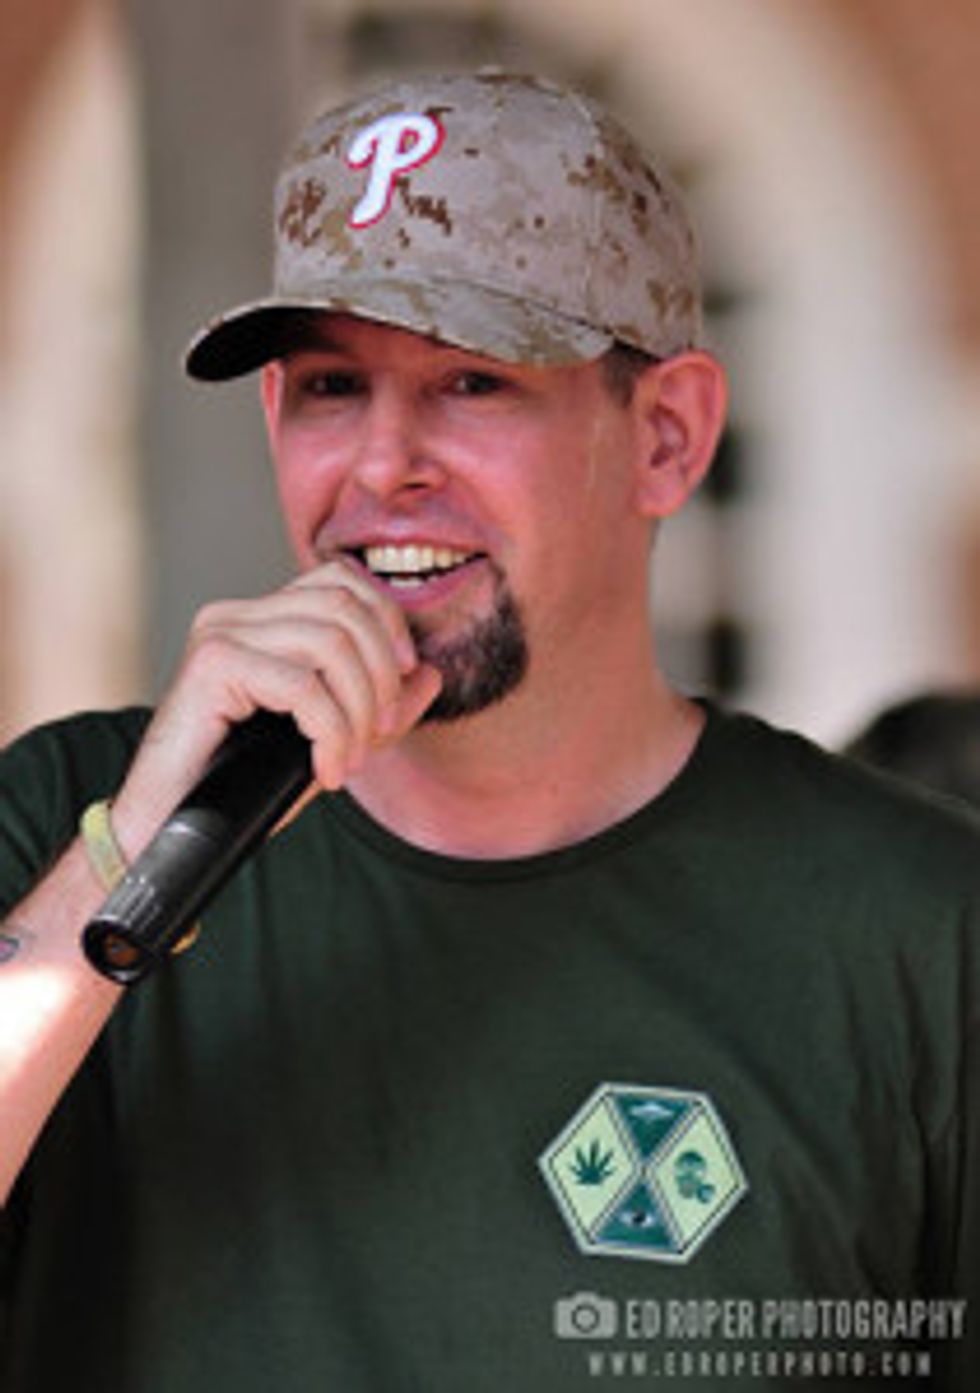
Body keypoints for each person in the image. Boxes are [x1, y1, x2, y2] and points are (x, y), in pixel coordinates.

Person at [0, 71, 977, 1392]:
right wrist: (131, 859)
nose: (385, 462)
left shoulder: (917, 925)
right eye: (335, 384)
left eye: (472, 380)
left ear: (668, 438)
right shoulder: (66, 819)